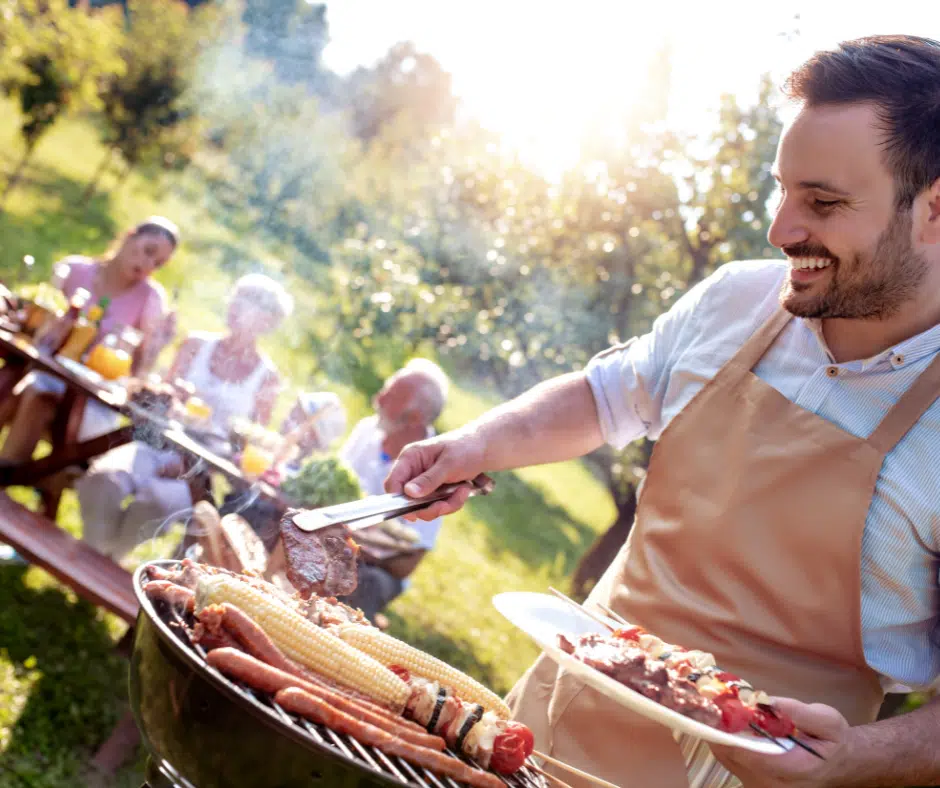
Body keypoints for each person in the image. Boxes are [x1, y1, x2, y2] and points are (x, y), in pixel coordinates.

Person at [386, 36, 940, 788]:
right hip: (538, 735)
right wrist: (477, 443)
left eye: (823, 202)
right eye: (781, 191)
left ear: (934, 211)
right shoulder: (738, 300)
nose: (781, 230)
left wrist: (858, 760)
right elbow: (603, 396)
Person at [75, 273, 292, 562]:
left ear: (266, 322)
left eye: (246, 306)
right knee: (104, 480)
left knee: (156, 502)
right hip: (158, 442)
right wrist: (169, 391)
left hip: (201, 469)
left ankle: (107, 559)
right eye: (235, 301)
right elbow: (158, 397)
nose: (234, 309)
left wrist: (195, 464)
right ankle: (94, 557)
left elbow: (249, 447)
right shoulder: (195, 344)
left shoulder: (266, 378)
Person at [0, 217, 179, 462]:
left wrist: (158, 343)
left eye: (157, 263)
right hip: (44, 370)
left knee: (35, 393)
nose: (148, 264)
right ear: (130, 236)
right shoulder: (74, 270)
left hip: (93, 398)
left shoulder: (151, 299)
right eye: (148, 251)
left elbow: (142, 373)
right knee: (17, 384)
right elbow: (34, 320)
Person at [339, 358, 449, 622]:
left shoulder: (436, 473)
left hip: (377, 567)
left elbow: (405, 566)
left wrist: (357, 548)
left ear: (414, 417)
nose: (378, 397)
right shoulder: (367, 429)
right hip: (336, 539)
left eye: (390, 395)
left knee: (364, 582)